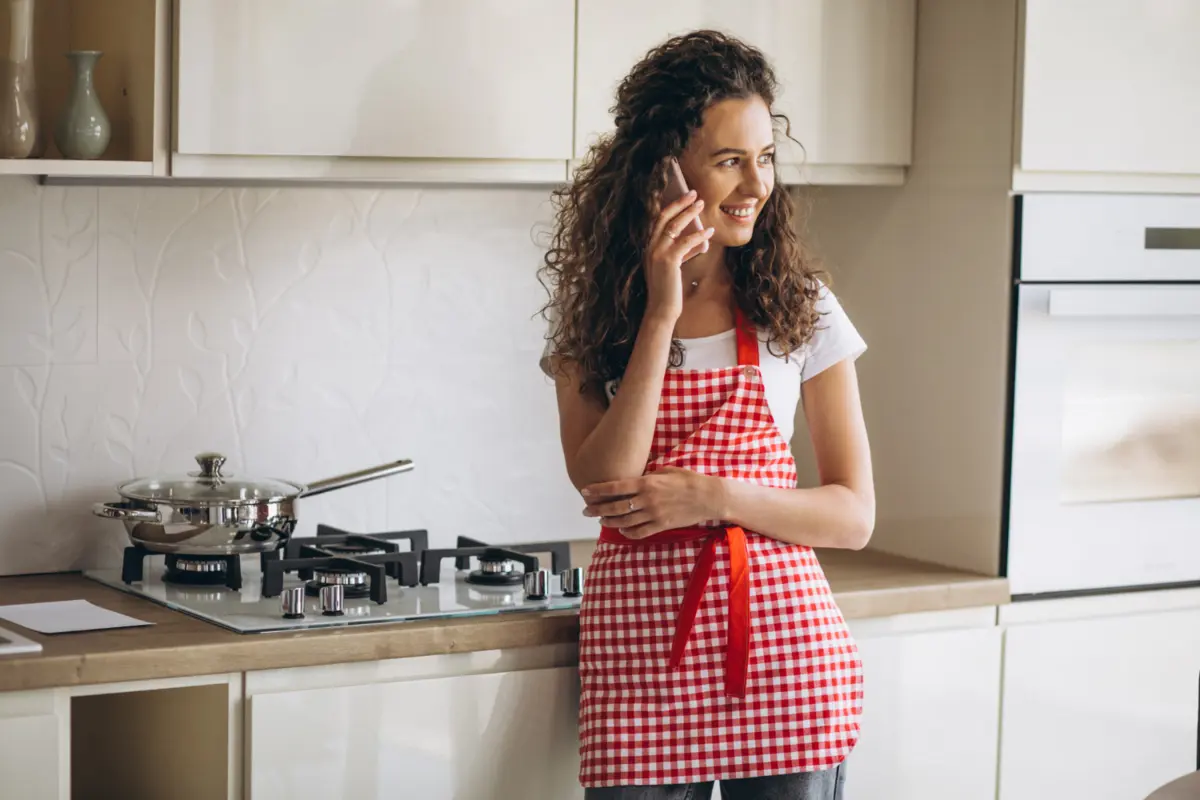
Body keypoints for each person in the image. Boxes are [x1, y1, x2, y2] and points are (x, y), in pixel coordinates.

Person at [538, 29, 874, 800]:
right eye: (729, 160)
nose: (756, 183)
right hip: (640, 664)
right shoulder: (598, 319)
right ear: (661, 171)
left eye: (765, 157)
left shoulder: (802, 309)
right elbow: (602, 482)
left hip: (787, 658)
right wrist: (661, 309)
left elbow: (854, 516)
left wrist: (712, 497)